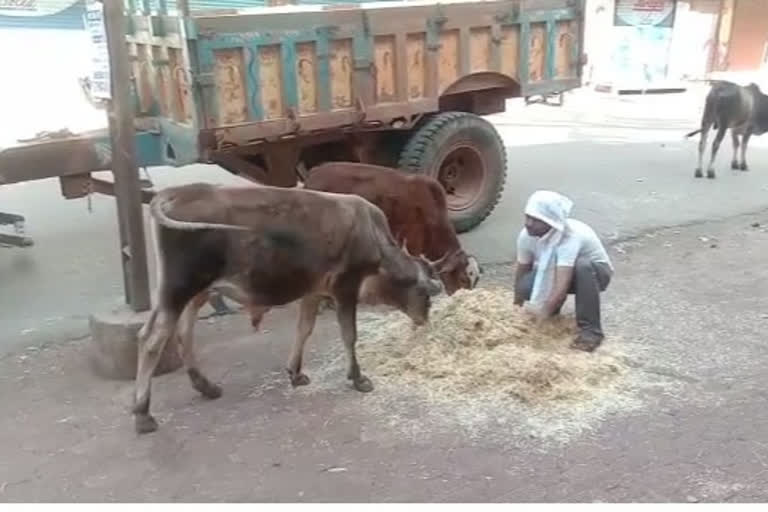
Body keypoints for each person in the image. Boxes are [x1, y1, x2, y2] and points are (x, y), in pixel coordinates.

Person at [513, 190, 614, 352]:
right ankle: (553, 312)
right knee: (525, 285)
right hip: (559, 270)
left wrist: (539, 324)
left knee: (582, 265)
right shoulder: (526, 236)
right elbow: (522, 269)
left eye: (536, 220)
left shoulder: (570, 238)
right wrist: (516, 307)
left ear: (550, 222)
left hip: (595, 273)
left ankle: (591, 331)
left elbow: (561, 288)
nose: (528, 223)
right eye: (527, 216)